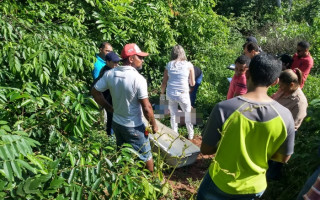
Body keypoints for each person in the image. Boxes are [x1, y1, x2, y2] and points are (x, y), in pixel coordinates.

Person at [197, 54, 295, 199]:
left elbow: (205, 149)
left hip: (221, 182)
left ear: (247, 73)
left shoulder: (224, 108)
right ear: (275, 82)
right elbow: (284, 157)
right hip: (255, 187)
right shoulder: (285, 116)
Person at [91, 43, 158, 172]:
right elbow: (147, 107)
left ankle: (123, 178)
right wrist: (153, 124)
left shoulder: (111, 74)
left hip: (116, 123)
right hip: (134, 126)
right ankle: (152, 181)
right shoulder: (138, 79)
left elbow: (95, 91)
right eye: (140, 57)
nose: (142, 60)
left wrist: (108, 107)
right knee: (146, 156)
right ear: (131, 59)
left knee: (122, 153)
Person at [267, 68, 308, 180]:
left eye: (282, 86)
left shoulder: (299, 102)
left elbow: (293, 125)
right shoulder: (283, 91)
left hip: (283, 134)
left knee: (276, 160)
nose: (279, 88)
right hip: (272, 129)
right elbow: (273, 100)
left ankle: (272, 180)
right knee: (268, 157)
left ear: (291, 84)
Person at [160, 45, 195, 140]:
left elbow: (164, 83)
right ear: (183, 53)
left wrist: (161, 94)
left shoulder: (169, 65)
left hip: (170, 93)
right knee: (188, 114)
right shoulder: (189, 65)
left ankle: (174, 136)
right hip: (183, 93)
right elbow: (192, 83)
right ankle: (190, 135)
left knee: (173, 115)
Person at [92, 52, 121, 135]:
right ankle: (110, 138)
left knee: (111, 120)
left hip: (108, 99)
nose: (117, 64)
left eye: (118, 62)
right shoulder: (107, 72)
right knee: (111, 121)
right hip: (107, 100)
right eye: (114, 62)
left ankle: (110, 136)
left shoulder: (108, 69)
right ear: (107, 62)